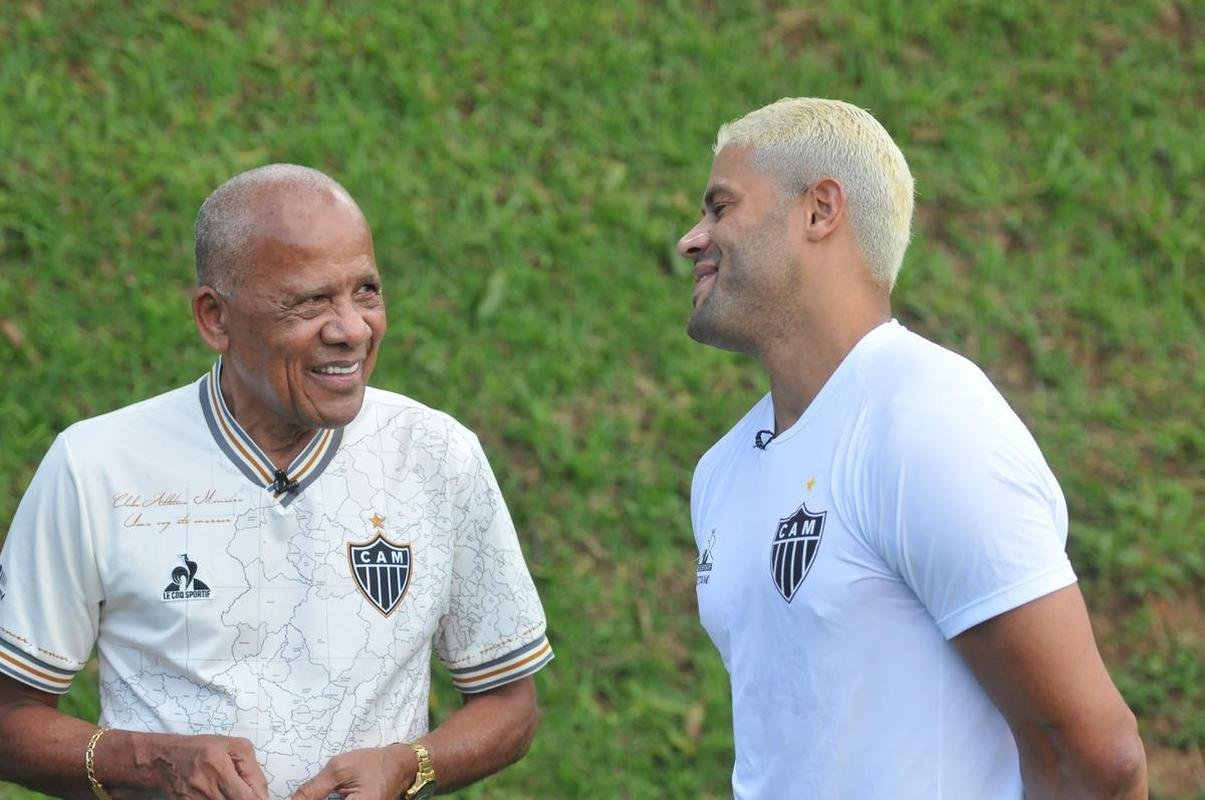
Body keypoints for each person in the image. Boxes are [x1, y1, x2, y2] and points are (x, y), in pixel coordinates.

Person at [0, 164, 553, 800]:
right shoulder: (95, 466)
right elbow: (10, 718)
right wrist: (151, 761)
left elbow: (511, 705)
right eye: (310, 301)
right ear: (215, 318)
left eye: (366, 291)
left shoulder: (439, 455)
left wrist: (408, 766)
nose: (352, 328)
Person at [678, 99, 1145, 798]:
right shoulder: (722, 469)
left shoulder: (923, 420)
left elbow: (1090, 756)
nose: (692, 238)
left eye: (720, 207)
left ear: (819, 209)